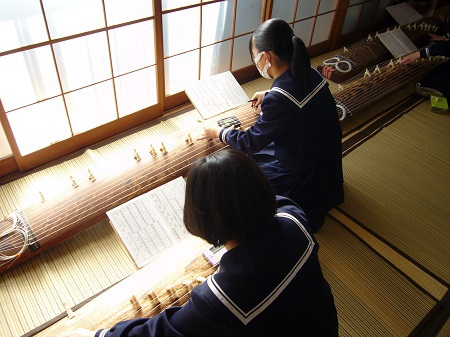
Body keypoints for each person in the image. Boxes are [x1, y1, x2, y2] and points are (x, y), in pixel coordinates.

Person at [62, 149, 339, 337]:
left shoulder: (223, 297)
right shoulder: (295, 218)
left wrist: (99, 335)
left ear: (205, 220)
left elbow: (162, 331)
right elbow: (272, 204)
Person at [201, 19, 344, 233]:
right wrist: (268, 94)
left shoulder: (279, 99)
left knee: (245, 171)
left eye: (255, 57)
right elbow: (299, 103)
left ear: (266, 57)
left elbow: (250, 142)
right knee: (263, 151)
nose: (256, 64)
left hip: (304, 171)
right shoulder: (311, 72)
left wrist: (218, 132)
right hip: (327, 162)